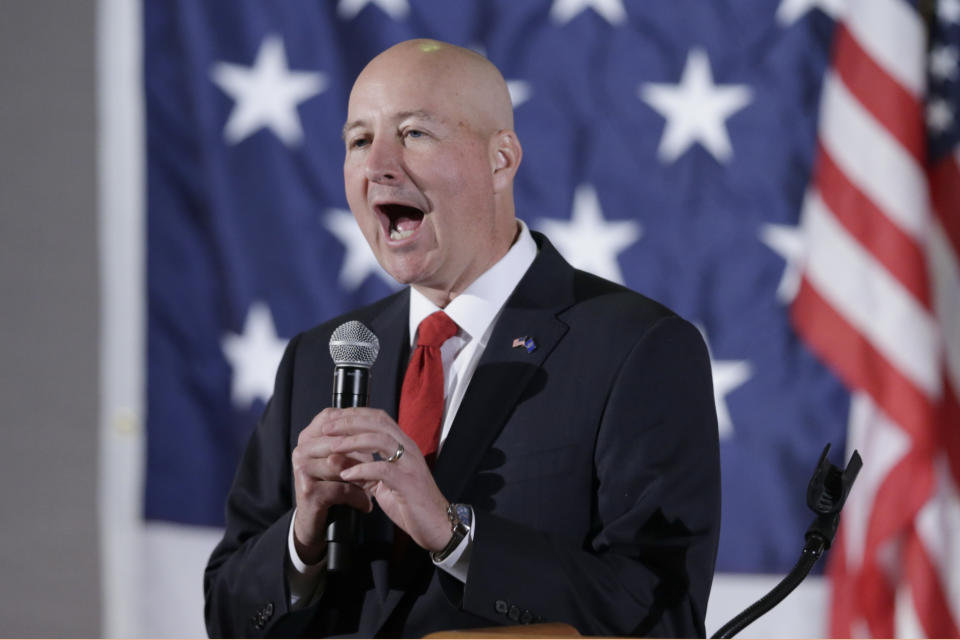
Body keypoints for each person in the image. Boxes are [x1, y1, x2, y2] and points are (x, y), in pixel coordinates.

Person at [204, 39, 721, 638]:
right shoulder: (318, 359)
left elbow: (662, 616)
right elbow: (227, 616)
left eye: (415, 133)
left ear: (500, 159)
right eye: (359, 141)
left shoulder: (637, 347)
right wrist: (303, 537)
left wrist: (456, 536)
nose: (378, 167)